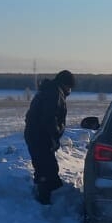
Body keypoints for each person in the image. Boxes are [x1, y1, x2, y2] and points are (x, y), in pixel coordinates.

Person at [24, 70, 75, 204]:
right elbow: (50, 118)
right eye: (70, 87)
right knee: (46, 169)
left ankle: (48, 194)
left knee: (47, 167)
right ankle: (44, 200)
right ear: (66, 84)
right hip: (41, 136)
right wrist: (54, 135)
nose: (70, 91)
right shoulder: (54, 93)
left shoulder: (48, 90)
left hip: (36, 135)